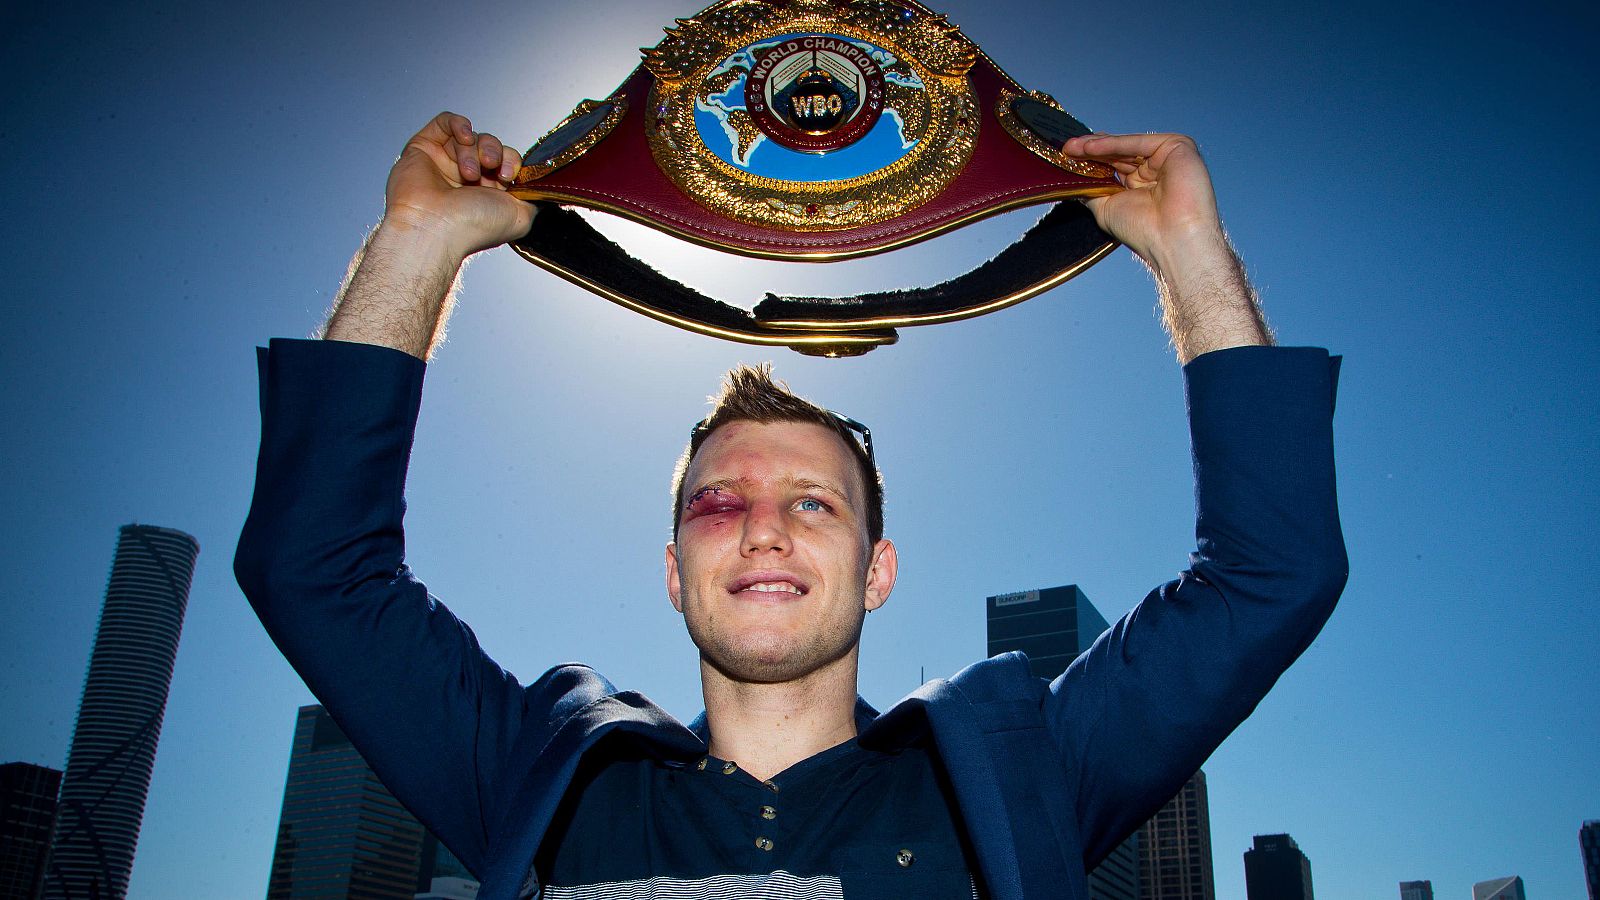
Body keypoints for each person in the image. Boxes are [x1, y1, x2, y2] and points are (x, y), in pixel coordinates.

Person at [235, 111, 1347, 900]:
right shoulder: (544, 777)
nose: (762, 524)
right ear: (672, 571)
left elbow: (1268, 574)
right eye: (717, 503)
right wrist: (417, 246)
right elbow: (314, 567)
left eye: (814, 505)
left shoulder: (1019, 777)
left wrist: (1187, 252)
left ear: (878, 570)